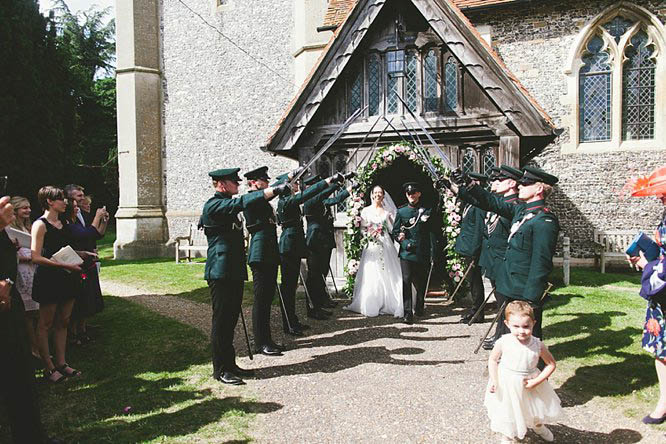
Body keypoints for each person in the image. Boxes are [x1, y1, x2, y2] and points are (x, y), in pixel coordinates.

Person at [200, 167, 290, 385]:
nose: (238, 184)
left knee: (230, 320)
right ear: (221, 184)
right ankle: (220, 369)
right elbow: (241, 203)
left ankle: (230, 365)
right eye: (233, 182)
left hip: (232, 271)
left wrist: (274, 192)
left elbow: (244, 205)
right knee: (221, 322)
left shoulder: (226, 205)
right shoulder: (213, 205)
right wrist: (275, 190)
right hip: (220, 272)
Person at [450, 166, 560, 340]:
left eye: (526, 183)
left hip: (524, 290)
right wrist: (469, 184)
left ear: (539, 189)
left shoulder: (544, 221)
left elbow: (541, 263)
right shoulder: (521, 211)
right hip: (510, 284)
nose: (520, 186)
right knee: (512, 340)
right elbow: (490, 202)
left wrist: (531, 299)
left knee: (529, 341)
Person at [485, 301, 562, 442]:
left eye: (526, 326)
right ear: (507, 324)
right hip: (507, 383)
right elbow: (493, 360)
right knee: (509, 409)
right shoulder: (503, 342)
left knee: (535, 408)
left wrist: (536, 381)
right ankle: (508, 434)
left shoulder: (537, 344)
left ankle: (538, 426)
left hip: (530, 383)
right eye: (516, 326)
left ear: (534, 323)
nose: (521, 331)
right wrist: (495, 380)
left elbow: (551, 364)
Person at [31, 186, 84, 382]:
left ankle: (62, 363)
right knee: (45, 323)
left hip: (67, 277)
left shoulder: (65, 223)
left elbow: (66, 249)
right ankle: (48, 367)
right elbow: (35, 256)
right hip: (49, 278)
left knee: (63, 321)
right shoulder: (40, 225)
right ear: (49, 202)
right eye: (60, 199)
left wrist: (83, 255)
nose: (65, 202)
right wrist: (62, 265)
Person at [626, 168, 666, 424]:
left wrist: (646, 266)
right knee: (662, 351)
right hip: (662, 296)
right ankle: (664, 403)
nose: (661, 199)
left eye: (664, 195)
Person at [275, 172, 336, 335]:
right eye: (293, 184)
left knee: (291, 286)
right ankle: (289, 323)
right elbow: (309, 194)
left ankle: (292, 320)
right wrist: (328, 181)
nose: (296, 186)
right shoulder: (286, 201)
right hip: (288, 246)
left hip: (294, 246)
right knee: (288, 287)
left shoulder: (289, 200)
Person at [243, 166, 286, 357]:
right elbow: (266, 195)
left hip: (268, 252)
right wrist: (276, 189)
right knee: (261, 300)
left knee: (268, 299)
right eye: (263, 181)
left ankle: (267, 339)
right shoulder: (252, 199)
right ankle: (261, 342)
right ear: (253, 183)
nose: (267, 183)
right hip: (260, 254)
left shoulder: (261, 197)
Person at [478, 166, 522, 349]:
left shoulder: (514, 205)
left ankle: (502, 337)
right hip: (494, 260)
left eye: (500, 180)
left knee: (505, 303)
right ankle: (499, 334)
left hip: (503, 260)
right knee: (500, 302)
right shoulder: (501, 202)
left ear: (512, 183)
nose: (495, 183)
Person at [345, 185, 403, 318]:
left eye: (380, 193)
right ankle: (371, 302)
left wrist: (388, 221)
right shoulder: (365, 211)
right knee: (372, 272)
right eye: (375, 193)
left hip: (385, 243)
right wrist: (370, 234)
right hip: (371, 244)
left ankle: (391, 301)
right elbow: (363, 229)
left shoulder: (387, 211)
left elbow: (392, 228)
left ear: (383, 195)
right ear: (371, 195)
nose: (377, 195)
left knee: (389, 271)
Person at [61, 197, 108, 344]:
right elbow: (87, 234)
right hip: (73, 265)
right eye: (75, 206)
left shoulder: (77, 222)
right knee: (77, 300)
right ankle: (72, 333)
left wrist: (104, 220)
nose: (78, 208)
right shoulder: (67, 225)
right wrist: (97, 216)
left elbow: (96, 234)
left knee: (85, 296)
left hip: (86, 261)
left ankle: (81, 329)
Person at [303, 175, 350, 319]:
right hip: (315, 241)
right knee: (314, 275)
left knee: (322, 272)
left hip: (324, 240)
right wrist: (336, 185)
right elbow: (324, 195)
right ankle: (313, 306)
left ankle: (322, 299)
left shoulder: (320, 201)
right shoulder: (310, 200)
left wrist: (348, 190)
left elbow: (334, 200)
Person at [392, 182, 435, 324]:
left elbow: (431, 232)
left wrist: (432, 251)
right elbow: (396, 232)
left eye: (414, 193)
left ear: (419, 194)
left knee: (421, 281)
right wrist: (404, 243)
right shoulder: (402, 211)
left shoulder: (426, 210)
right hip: (407, 252)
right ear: (406, 195)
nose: (411, 196)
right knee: (406, 280)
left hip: (421, 251)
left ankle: (420, 304)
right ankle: (407, 312)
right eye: (409, 193)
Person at [9, 196, 40, 362]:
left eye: (28, 207)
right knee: (28, 313)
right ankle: (33, 349)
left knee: (38, 311)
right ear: (15, 211)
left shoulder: (29, 226)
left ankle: (40, 345)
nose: (28, 211)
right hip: (22, 271)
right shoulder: (9, 229)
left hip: (34, 269)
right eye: (24, 208)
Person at [454, 172, 487, 323]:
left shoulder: (479, 205)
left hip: (473, 250)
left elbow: (479, 229)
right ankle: (475, 309)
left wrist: (475, 252)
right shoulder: (470, 202)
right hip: (466, 248)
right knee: (472, 281)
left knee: (475, 281)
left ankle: (478, 312)